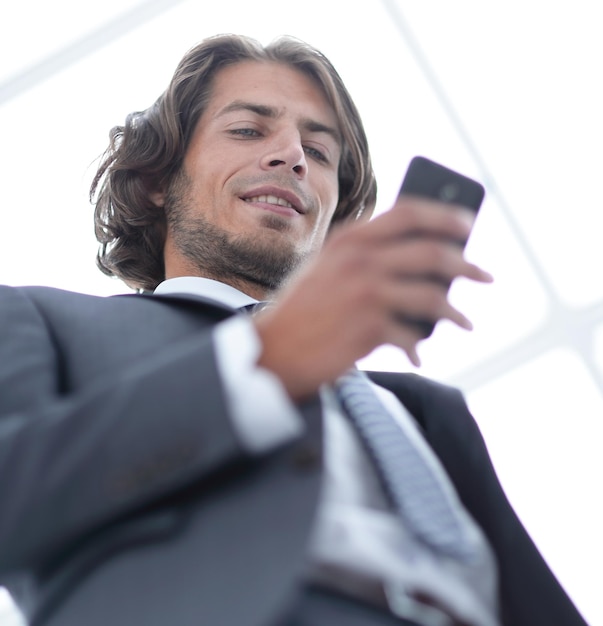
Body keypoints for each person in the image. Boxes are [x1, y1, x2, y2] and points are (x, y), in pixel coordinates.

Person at [0, 34, 586, 626]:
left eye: (319, 151)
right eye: (249, 130)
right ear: (158, 178)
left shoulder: (421, 409)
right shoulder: (39, 321)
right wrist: (264, 365)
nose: (293, 157)